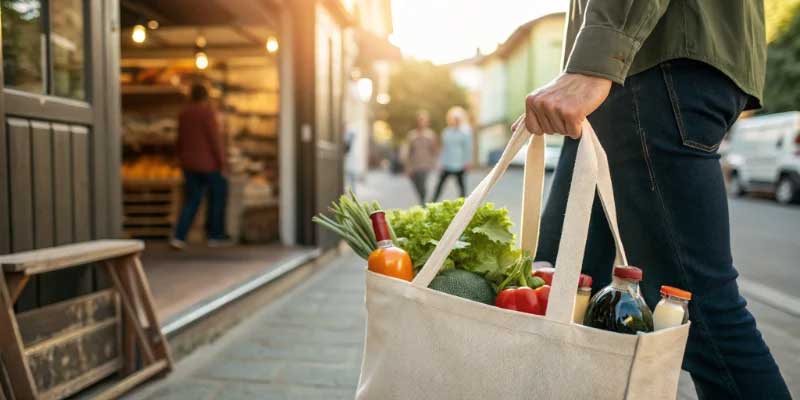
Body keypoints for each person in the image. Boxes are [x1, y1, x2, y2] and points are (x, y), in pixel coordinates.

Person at [516, 1, 791, 398]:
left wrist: (598, 58)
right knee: (557, 289)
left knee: (700, 311)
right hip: (655, 68)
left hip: (650, 66)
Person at [170, 84, 232, 250]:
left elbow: (179, 139)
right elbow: (214, 139)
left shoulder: (183, 114)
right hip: (208, 164)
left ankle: (179, 236)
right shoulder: (207, 112)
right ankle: (214, 234)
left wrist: (178, 158)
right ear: (205, 97)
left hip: (188, 164)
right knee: (218, 196)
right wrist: (222, 163)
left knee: (192, 199)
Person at [432, 107, 472, 201]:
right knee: (439, 185)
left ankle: (463, 205)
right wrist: (440, 162)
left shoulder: (465, 133)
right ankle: (433, 202)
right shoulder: (446, 132)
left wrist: (467, 162)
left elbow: (467, 149)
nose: (456, 121)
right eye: (454, 119)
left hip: (460, 164)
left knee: (462, 188)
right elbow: (444, 148)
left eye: (458, 119)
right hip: (447, 163)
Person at [402, 110, 439, 204]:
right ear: (417, 121)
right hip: (414, 165)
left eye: (424, 120)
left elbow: (435, 150)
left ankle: (423, 203)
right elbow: (408, 152)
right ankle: (422, 201)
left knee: (423, 185)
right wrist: (407, 167)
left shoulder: (431, 135)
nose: (422, 122)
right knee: (417, 185)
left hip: (426, 165)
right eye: (420, 120)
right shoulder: (412, 135)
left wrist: (435, 163)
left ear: (427, 122)